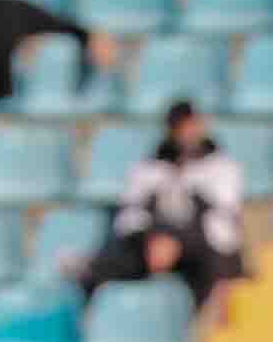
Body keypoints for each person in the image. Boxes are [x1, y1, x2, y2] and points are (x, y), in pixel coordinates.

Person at [86, 100, 243, 305]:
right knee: (114, 261)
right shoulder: (150, 167)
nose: (186, 133)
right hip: (153, 243)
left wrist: (178, 242)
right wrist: (150, 239)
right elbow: (130, 215)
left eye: (191, 126)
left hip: (201, 247)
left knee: (220, 267)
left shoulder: (222, 167)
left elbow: (224, 221)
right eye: (180, 128)